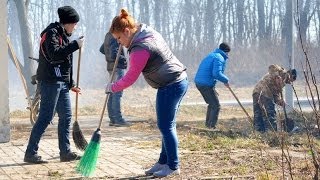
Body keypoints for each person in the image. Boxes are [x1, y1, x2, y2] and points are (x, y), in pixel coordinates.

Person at [106, 9, 188, 178]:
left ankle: (173, 166)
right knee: (166, 125)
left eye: (119, 39)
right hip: (173, 81)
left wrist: (112, 87)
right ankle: (163, 162)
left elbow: (129, 78)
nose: (120, 43)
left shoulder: (140, 49)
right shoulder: (144, 31)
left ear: (127, 31)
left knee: (166, 126)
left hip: (172, 83)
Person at [24, 6, 84, 164]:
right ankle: (30, 153)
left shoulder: (63, 35)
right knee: (45, 117)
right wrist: (75, 45)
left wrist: (71, 83)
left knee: (66, 116)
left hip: (61, 83)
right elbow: (54, 54)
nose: (75, 27)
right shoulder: (51, 33)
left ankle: (65, 152)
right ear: (68, 22)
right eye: (74, 23)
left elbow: (66, 63)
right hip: (50, 81)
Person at [194, 43, 231, 129]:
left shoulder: (212, 55)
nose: (228, 55)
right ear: (226, 52)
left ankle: (208, 126)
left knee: (212, 104)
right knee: (215, 105)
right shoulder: (219, 58)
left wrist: (213, 87)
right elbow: (216, 73)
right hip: (205, 84)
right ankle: (211, 127)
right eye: (228, 53)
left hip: (200, 82)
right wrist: (226, 80)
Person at [252, 64, 297, 133]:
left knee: (258, 114)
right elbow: (271, 67)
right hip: (265, 93)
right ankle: (271, 133)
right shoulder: (281, 73)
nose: (290, 83)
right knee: (270, 114)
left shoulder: (283, 80)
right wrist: (276, 76)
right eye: (291, 80)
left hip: (256, 92)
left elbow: (275, 93)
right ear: (291, 75)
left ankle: (259, 133)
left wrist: (279, 101)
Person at [99, 32, 130, 127]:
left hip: (111, 67)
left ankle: (113, 119)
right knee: (117, 92)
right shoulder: (115, 35)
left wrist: (108, 56)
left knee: (112, 91)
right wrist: (124, 59)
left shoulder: (108, 35)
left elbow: (102, 49)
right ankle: (118, 119)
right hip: (117, 67)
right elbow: (113, 54)